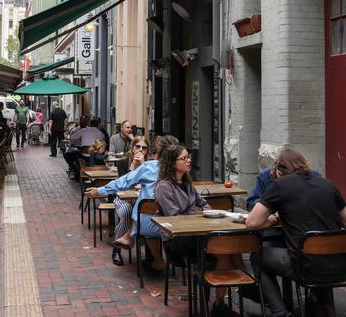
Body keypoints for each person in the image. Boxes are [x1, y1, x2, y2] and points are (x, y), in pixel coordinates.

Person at [246, 148, 346, 317]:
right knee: (314, 255)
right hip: (342, 267)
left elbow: (252, 222)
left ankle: (280, 312)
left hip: (306, 268)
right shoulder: (327, 184)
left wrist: (276, 219)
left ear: (279, 169)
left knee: (257, 256)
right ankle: (319, 305)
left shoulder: (279, 185)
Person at [156, 145, 242, 315]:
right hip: (176, 240)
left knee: (230, 246)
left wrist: (208, 212)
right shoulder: (164, 187)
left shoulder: (187, 182)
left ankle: (219, 301)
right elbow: (175, 218)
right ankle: (224, 300)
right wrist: (197, 216)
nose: (189, 161)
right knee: (225, 250)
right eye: (184, 158)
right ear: (173, 163)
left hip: (197, 233)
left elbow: (202, 203)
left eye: (189, 157)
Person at [85, 135, 179, 267]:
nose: (141, 150)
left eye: (145, 148)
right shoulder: (181, 170)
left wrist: (100, 191)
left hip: (149, 225)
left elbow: (124, 182)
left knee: (142, 205)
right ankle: (145, 251)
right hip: (174, 223)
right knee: (139, 204)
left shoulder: (150, 167)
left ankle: (129, 238)